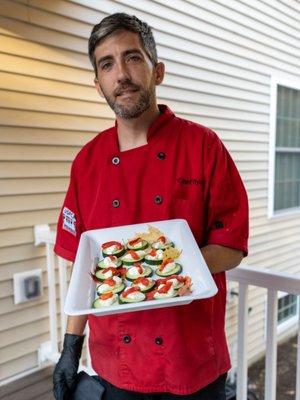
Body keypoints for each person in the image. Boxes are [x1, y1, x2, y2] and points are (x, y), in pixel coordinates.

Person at [53, 12, 249, 400]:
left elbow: (231, 247)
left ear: (158, 71)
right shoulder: (86, 163)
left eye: (133, 57)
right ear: (99, 85)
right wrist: (70, 345)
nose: (121, 73)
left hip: (193, 361)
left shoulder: (204, 147)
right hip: (116, 362)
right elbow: (84, 265)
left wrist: (149, 270)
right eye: (107, 64)